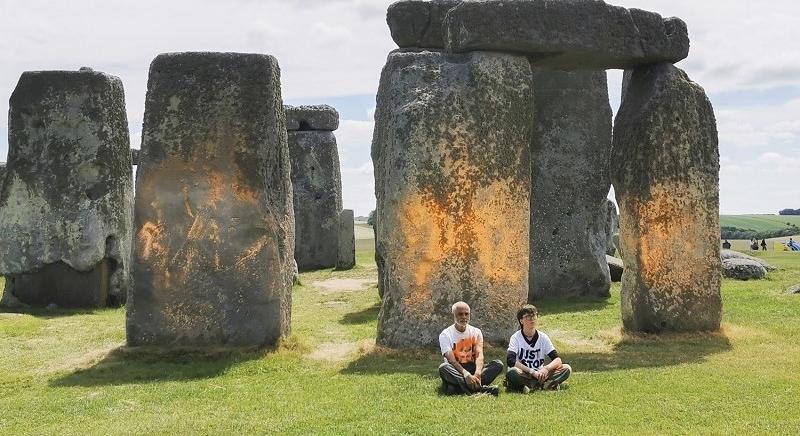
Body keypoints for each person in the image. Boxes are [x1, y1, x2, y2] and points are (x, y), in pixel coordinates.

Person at [438, 301, 503, 396]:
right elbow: (451, 360)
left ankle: (457, 387)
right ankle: (481, 389)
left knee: (498, 364)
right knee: (443, 367)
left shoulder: (476, 332)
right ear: (453, 315)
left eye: (466, 314)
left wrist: (477, 373)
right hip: (456, 369)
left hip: (472, 367)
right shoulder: (445, 334)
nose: (464, 316)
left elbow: (479, 354)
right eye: (460, 314)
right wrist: (466, 374)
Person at [505, 304, 571, 392]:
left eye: (534, 316)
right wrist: (532, 372)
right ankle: (547, 384)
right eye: (528, 316)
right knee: (512, 372)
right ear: (521, 321)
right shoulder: (516, 337)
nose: (532, 319)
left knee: (566, 368)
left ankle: (531, 385)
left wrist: (546, 369)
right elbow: (510, 361)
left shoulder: (543, 337)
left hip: (540, 374)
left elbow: (557, 359)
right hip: (525, 373)